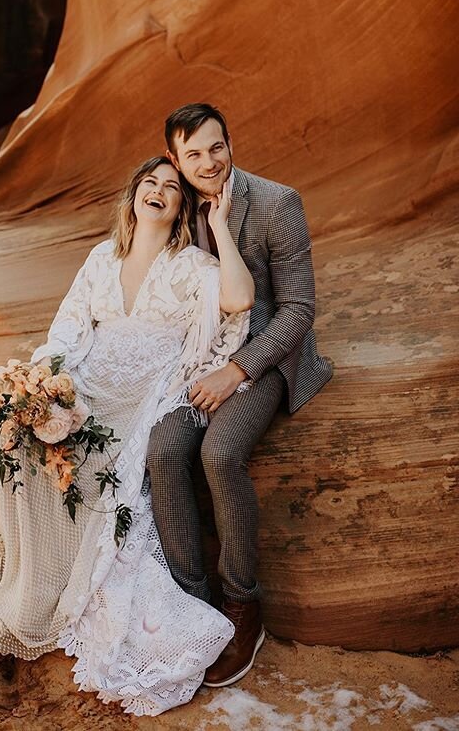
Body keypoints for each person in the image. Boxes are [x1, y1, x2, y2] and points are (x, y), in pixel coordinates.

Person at [0, 156, 255, 717]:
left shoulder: (194, 265)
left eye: (171, 188)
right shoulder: (102, 258)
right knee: (0, 456)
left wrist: (219, 226)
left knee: (89, 497)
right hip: (85, 392)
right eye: (149, 183)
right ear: (132, 197)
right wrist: (44, 386)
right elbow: (68, 328)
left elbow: (240, 300)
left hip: (136, 407)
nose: (158, 191)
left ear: (179, 210)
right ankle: (6, 592)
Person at [147, 103, 333, 688]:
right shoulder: (176, 207)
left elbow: (300, 310)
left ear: (230, 142)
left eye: (217, 147)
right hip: (196, 358)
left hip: (267, 355)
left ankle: (242, 604)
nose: (210, 162)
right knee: (162, 446)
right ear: (175, 160)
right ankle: (189, 602)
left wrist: (238, 370)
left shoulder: (278, 203)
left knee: (220, 452)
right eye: (194, 154)